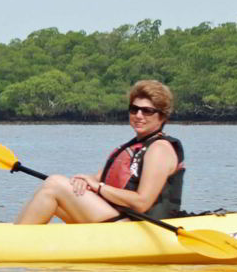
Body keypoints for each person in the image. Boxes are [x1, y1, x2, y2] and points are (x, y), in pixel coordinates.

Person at [14, 79, 185, 225]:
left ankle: (12, 244)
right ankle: (15, 235)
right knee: (52, 194)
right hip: (117, 219)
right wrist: (83, 180)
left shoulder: (159, 149)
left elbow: (142, 202)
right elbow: (98, 178)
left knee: (55, 184)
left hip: (136, 228)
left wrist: (98, 187)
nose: (138, 115)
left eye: (147, 111)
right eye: (134, 109)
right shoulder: (134, 146)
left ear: (162, 116)